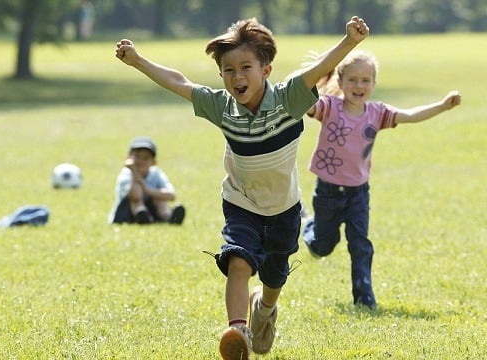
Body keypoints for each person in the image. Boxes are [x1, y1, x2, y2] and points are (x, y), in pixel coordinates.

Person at [115, 16, 369, 359]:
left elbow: (319, 68)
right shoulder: (222, 107)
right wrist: (138, 61)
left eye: (246, 67)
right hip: (241, 202)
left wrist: (350, 42)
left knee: (275, 277)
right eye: (228, 70)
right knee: (238, 260)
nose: (237, 76)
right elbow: (179, 82)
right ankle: (238, 331)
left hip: (283, 208)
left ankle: (264, 311)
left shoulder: (289, 98)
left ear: (265, 69)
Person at [301, 50, 462, 309]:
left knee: (360, 244)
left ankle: (364, 298)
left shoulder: (377, 113)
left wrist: (443, 105)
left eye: (366, 80)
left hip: (358, 193)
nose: (359, 86)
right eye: (352, 80)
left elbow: (410, 115)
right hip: (328, 191)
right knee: (322, 247)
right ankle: (307, 225)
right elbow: (304, 101)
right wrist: (315, 73)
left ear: (374, 84)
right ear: (340, 82)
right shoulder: (329, 107)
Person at [108, 136, 186, 225]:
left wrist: (147, 190)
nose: (140, 161)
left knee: (159, 198)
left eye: (145, 158)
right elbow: (136, 196)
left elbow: (171, 195)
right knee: (136, 202)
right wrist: (134, 172)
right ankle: (142, 215)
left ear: (154, 162)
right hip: (126, 214)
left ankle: (168, 217)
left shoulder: (156, 173)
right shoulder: (126, 174)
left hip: (151, 209)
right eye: (137, 156)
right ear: (128, 159)